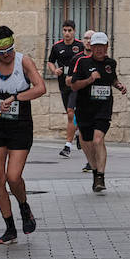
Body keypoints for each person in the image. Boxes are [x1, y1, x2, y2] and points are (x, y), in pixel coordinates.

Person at [0, 25, 48, 245]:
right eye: (1, 52)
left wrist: (16, 97)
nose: (6, 55)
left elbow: (41, 88)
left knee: (13, 176)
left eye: (9, 50)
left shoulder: (23, 62)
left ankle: (24, 205)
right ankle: (10, 227)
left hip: (20, 124)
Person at [68, 31, 127, 193]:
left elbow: (112, 79)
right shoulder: (82, 62)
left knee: (98, 139)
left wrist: (119, 85)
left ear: (107, 47)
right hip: (85, 108)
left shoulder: (111, 63)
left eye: (102, 46)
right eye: (96, 46)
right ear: (91, 47)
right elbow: (73, 86)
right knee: (86, 141)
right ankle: (95, 171)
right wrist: (89, 80)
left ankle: (100, 176)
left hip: (103, 108)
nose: (100, 49)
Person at [45, 21, 89, 159]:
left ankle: (67, 146)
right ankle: (78, 133)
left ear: (74, 31)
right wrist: (54, 70)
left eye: (70, 30)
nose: (67, 33)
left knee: (71, 113)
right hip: (63, 84)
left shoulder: (80, 46)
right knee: (70, 113)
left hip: (77, 84)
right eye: (65, 30)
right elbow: (50, 61)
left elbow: (87, 59)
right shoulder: (57, 46)